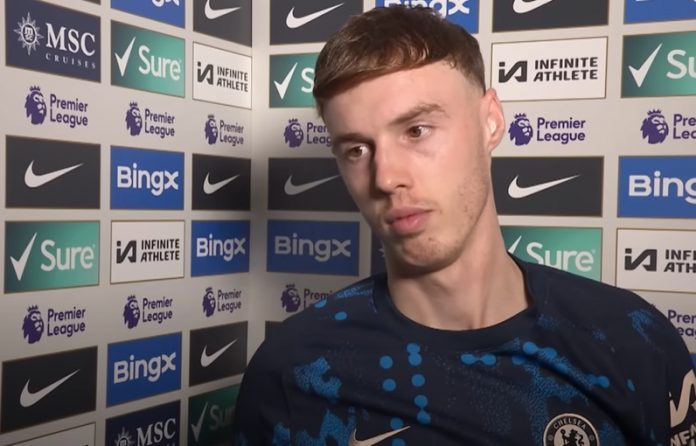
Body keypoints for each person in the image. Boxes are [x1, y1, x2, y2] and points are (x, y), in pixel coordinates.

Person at [232, 6, 696, 445]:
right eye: (357, 150)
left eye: (416, 130)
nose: (386, 177)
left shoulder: (631, 340)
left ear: (490, 120)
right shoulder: (294, 372)